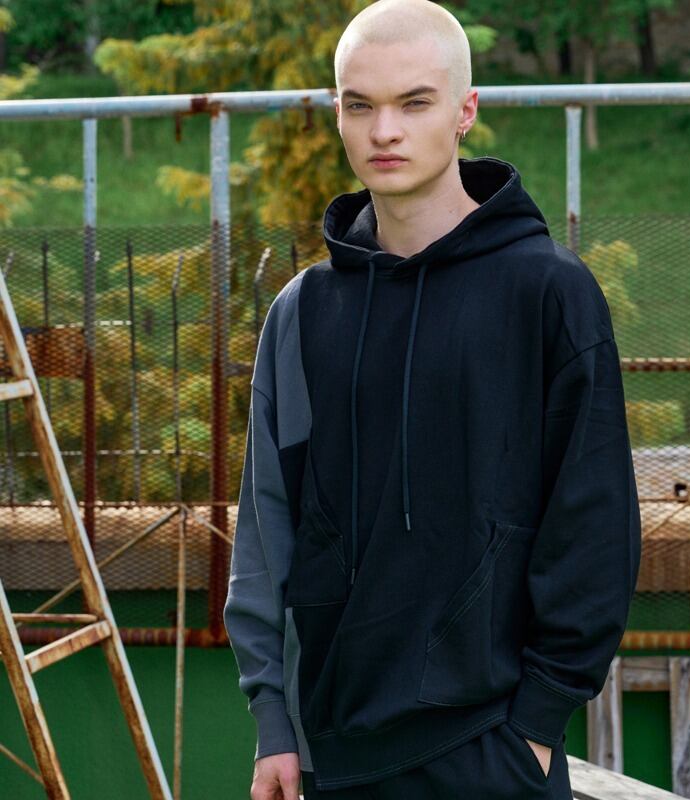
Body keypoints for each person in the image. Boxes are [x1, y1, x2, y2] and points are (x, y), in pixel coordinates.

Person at [223, 1, 642, 798]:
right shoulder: (303, 312)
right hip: (333, 757)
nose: (384, 131)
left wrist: (537, 724)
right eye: (360, 105)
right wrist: (274, 722)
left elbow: (594, 524)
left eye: (414, 102)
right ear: (337, 114)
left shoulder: (547, 294)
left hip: (490, 748)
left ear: (464, 111)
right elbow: (268, 533)